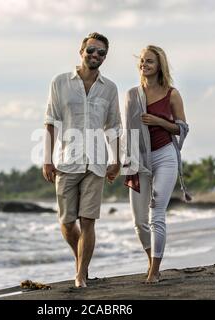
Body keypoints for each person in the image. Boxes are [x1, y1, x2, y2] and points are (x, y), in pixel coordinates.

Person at [42, 32, 121, 288]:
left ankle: (80, 275)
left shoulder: (110, 88)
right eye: (91, 51)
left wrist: (116, 159)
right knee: (66, 222)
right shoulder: (60, 82)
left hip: (97, 162)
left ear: (105, 57)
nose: (95, 56)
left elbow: (114, 126)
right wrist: (47, 159)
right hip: (67, 160)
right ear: (81, 51)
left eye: (101, 53)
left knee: (88, 220)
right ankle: (81, 261)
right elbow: (51, 122)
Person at [122, 45, 192, 283]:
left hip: (165, 154)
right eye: (142, 61)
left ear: (159, 65)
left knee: (156, 213)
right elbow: (126, 131)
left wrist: (158, 121)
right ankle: (152, 261)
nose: (144, 65)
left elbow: (182, 128)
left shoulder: (172, 94)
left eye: (149, 61)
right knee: (139, 221)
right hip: (139, 159)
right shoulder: (132, 95)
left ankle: (154, 271)